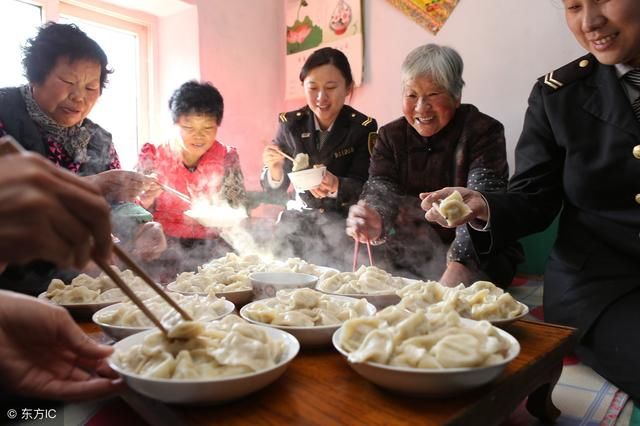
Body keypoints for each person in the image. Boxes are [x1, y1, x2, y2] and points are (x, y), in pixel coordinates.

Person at [421, 0, 640, 404]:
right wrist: (483, 206)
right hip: (602, 285)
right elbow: (533, 199)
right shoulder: (558, 95)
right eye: (573, 6)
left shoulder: (480, 128)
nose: (590, 22)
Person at [0, 22, 164, 295]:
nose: (78, 97)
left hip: (79, 291)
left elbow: (117, 206)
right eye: (68, 82)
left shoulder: (98, 139)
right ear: (36, 75)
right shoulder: (5, 114)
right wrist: (92, 185)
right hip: (12, 293)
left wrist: (142, 227)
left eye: (91, 87)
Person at [346, 44, 522, 286]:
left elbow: (480, 200)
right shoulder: (390, 136)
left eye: (433, 94)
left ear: (456, 95)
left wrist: (457, 268)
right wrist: (375, 216)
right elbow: (381, 185)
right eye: (411, 95)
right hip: (407, 257)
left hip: (477, 260)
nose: (421, 107)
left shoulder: (483, 131)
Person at [0, 149, 121, 401]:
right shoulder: (7, 121)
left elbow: (118, 211)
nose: (80, 105)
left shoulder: (98, 138)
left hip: (36, 338)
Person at [261, 47, 377, 270]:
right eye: (312, 88)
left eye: (331, 88)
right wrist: (275, 169)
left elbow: (368, 185)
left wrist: (337, 185)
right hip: (296, 227)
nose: (321, 97)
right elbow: (274, 188)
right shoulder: (291, 124)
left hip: (341, 230)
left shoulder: (362, 127)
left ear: (348, 88)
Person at [137, 81, 248, 279]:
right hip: (164, 246)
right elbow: (133, 212)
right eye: (188, 127)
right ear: (175, 124)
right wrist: (144, 199)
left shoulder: (226, 156)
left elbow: (236, 205)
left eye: (208, 128)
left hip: (212, 245)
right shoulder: (152, 156)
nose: (199, 136)